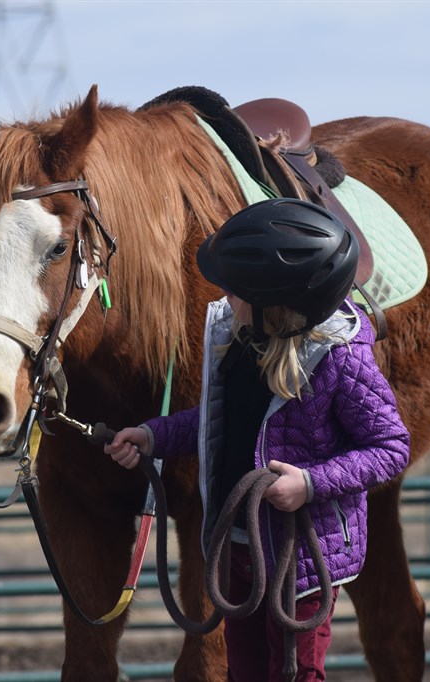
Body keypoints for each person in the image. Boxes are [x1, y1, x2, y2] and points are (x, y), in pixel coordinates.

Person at [104, 198, 410, 682]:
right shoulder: (242, 340)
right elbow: (217, 420)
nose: (226, 298)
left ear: (277, 301)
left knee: (295, 671)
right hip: (239, 543)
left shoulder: (340, 359)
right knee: (243, 669)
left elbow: (391, 448)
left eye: (237, 290)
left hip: (301, 558)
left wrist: (310, 484)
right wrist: (152, 435)